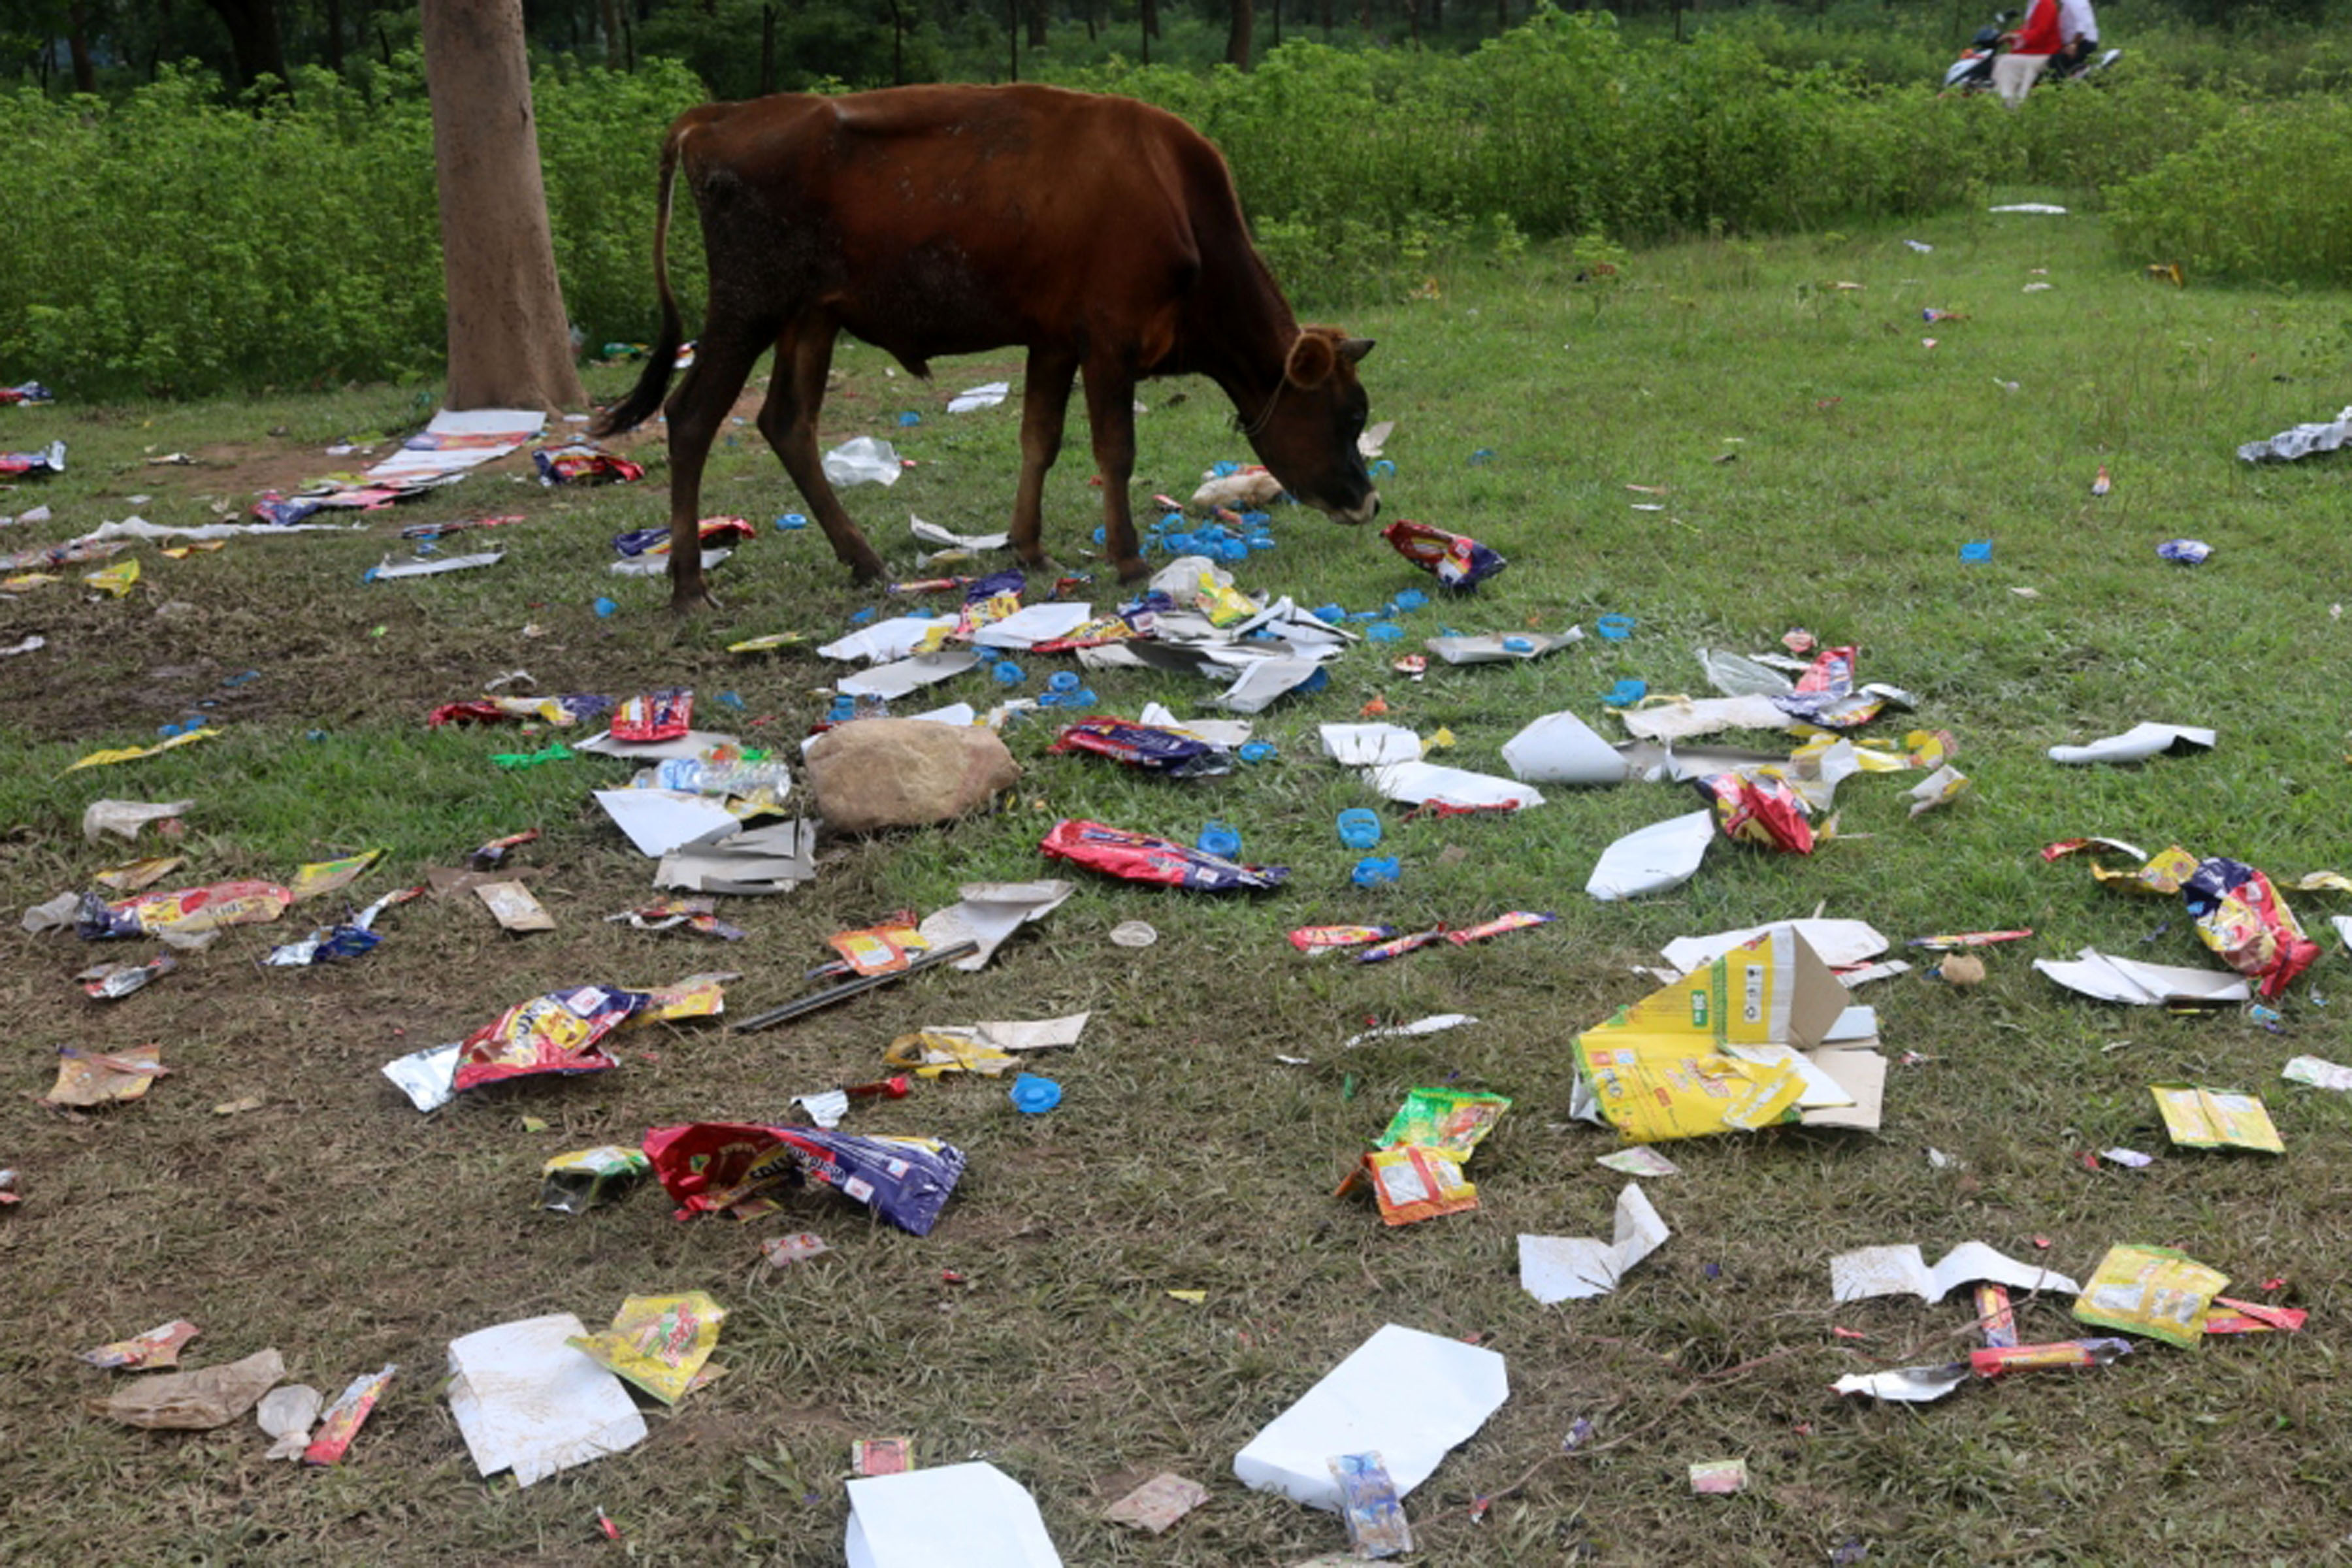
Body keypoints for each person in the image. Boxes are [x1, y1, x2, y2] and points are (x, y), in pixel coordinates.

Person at [1993, 0, 2065, 106]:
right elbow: (2027, 30)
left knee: (2007, 62)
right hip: (2037, 50)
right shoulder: (2035, 5)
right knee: (2000, 59)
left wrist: (2016, 37)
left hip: (2045, 51)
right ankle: (2003, 96)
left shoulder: (2046, 4)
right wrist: (2010, 36)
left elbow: (2040, 32)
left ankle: (2009, 100)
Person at [2054, 0, 2099, 75]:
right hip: (2076, 42)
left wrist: (2074, 44)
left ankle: (2061, 85)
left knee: (2056, 62)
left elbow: (2082, 24)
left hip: (2083, 42)